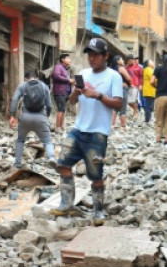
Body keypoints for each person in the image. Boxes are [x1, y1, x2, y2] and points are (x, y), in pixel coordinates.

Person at [52, 38, 124, 224]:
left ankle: (98, 211)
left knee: (95, 174)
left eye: (96, 55)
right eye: (90, 55)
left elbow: (118, 103)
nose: (92, 59)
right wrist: (76, 93)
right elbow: (72, 102)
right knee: (62, 164)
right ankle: (67, 204)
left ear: (105, 56)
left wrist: (98, 95)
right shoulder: (83, 73)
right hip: (78, 129)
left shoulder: (113, 76)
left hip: (98, 133)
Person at [8, 69, 55, 169]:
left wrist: (12, 115)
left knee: (20, 140)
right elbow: (49, 105)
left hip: (25, 118)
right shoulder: (44, 86)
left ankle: (18, 163)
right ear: (37, 77)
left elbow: (15, 99)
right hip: (41, 117)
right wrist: (46, 117)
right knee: (47, 142)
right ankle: (51, 158)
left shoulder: (22, 86)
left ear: (25, 78)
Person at [51, 53, 74, 133]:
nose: (69, 60)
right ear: (62, 60)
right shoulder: (58, 67)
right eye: (68, 58)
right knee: (60, 109)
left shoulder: (66, 69)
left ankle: (61, 126)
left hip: (65, 92)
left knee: (63, 109)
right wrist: (68, 80)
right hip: (59, 91)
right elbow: (56, 76)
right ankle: (57, 127)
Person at [109, 55, 133, 129]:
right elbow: (128, 78)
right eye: (121, 59)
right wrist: (131, 84)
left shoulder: (112, 70)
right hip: (123, 88)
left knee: (115, 107)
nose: (123, 60)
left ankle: (112, 123)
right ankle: (123, 125)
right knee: (123, 107)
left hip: (115, 89)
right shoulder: (121, 68)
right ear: (118, 61)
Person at [125, 55, 143, 119]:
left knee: (132, 100)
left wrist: (141, 85)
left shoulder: (139, 67)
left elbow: (141, 77)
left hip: (135, 85)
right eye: (128, 61)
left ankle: (135, 111)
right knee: (128, 101)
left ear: (133, 60)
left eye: (130, 60)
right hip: (128, 85)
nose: (129, 62)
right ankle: (136, 109)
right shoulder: (126, 67)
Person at [141, 59, 156, 124]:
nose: (153, 62)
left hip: (149, 90)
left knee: (150, 105)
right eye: (151, 61)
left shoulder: (148, 69)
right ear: (148, 64)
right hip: (150, 90)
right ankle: (148, 120)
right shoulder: (148, 69)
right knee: (149, 105)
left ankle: (149, 119)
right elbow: (154, 78)